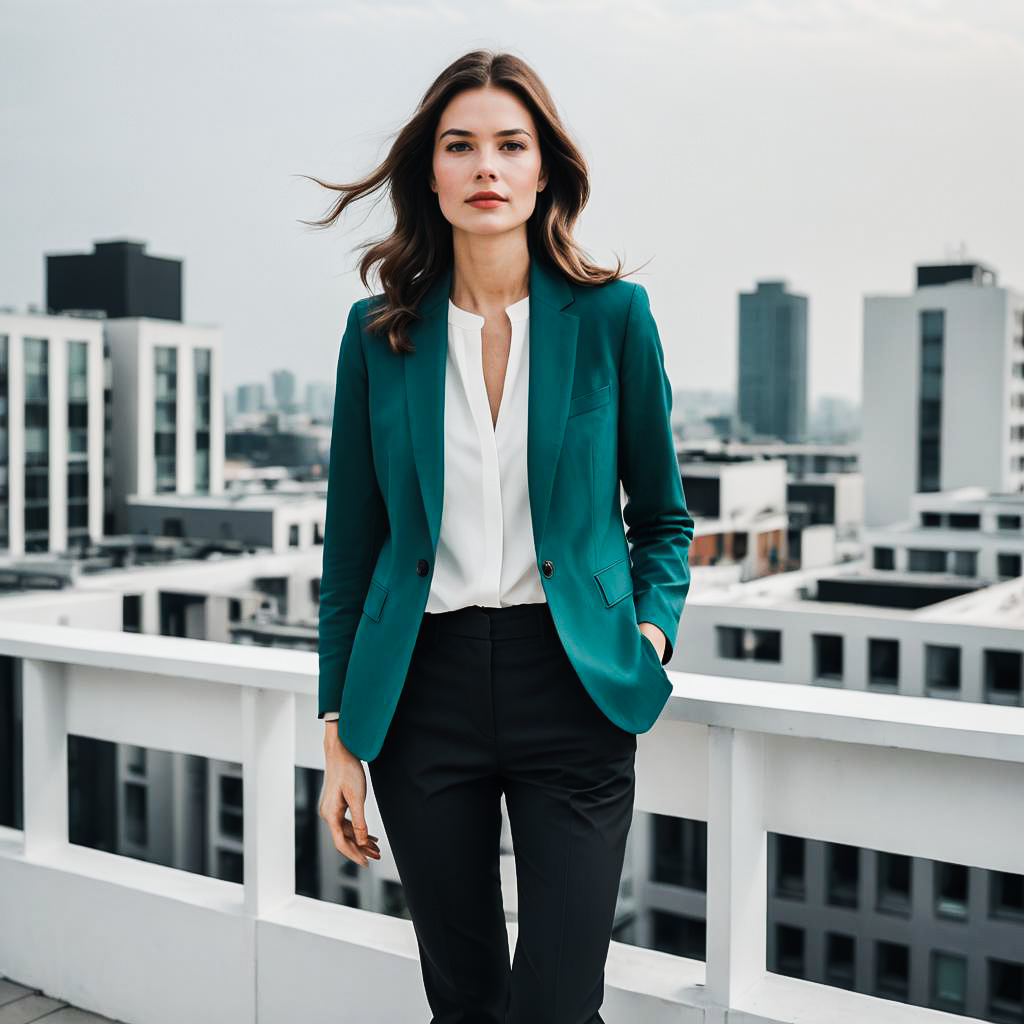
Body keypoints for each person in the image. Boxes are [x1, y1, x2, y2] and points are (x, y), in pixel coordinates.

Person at [306, 49, 693, 1024]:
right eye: (460, 144)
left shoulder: (614, 317)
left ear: (543, 172)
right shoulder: (375, 334)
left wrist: (647, 635)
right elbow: (351, 551)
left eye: (509, 145)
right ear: (428, 173)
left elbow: (662, 518)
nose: (486, 165)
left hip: (573, 684)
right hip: (418, 690)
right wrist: (339, 730)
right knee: (465, 1000)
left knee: (559, 1005)